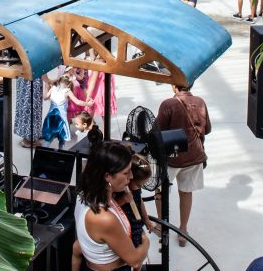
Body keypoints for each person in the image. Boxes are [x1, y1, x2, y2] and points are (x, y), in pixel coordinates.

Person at [74, 141, 150, 271]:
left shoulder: (83, 196)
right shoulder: (104, 219)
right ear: (107, 176)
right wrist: (146, 241)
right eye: (126, 173)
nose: (131, 177)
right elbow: (135, 261)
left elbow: (77, 246)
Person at [156, 83, 210, 246]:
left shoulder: (168, 104)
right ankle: (183, 230)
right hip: (194, 155)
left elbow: (158, 131)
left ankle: (161, 224)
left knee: (161, 190)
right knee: (186, 191)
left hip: (172, 157)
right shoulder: (200, 101)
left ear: (173, 86)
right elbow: (206, 129)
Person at [114, 154, 154, 249]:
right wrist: (123, 200)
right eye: (139, 185)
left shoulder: (135, 190)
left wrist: (146, 218)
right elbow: (112, 208)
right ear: (129, 178)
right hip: (126, 227)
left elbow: (139, 201)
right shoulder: (120, 190)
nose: (139, 189)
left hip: (137, 224)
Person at [41, 74, 91, 149]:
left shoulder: (54, 88)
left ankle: (44, 151)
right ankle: (61, 152)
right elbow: (77, 102)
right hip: (61, 118)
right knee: (62, 139)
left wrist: (46, 87)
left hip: (51, 117)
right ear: (68, 85)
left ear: (59, 81)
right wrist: (88, 104)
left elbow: (45, 97)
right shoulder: (67, 91)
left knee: (49, 138)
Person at [14, 75, 44, 149]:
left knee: (24, 106)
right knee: (32, 109)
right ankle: (28, 140)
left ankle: (30, 136)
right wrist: (48, 82)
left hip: (23, 79)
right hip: (32, 80)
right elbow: (41, 68)